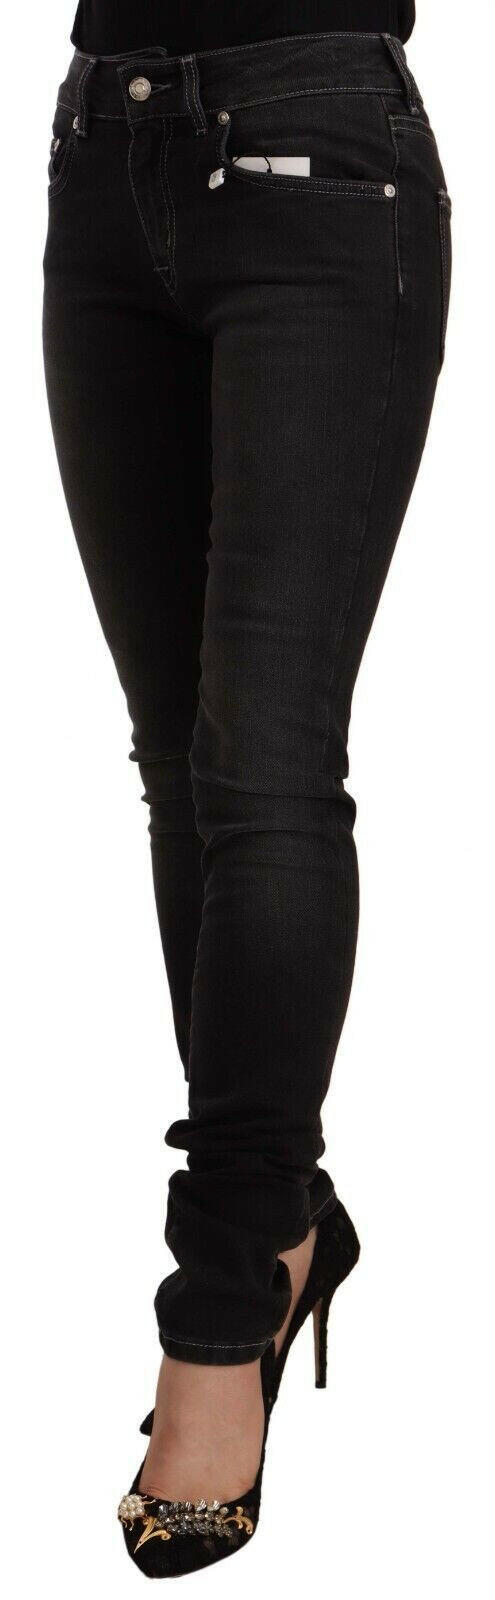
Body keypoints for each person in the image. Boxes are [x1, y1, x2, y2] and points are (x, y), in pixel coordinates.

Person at [43, 2, 451, 1578]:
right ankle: (282, 1227)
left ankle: (219, 1319)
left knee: (265, 766)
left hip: (315, 153)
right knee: (183, 772)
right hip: (100, 146)